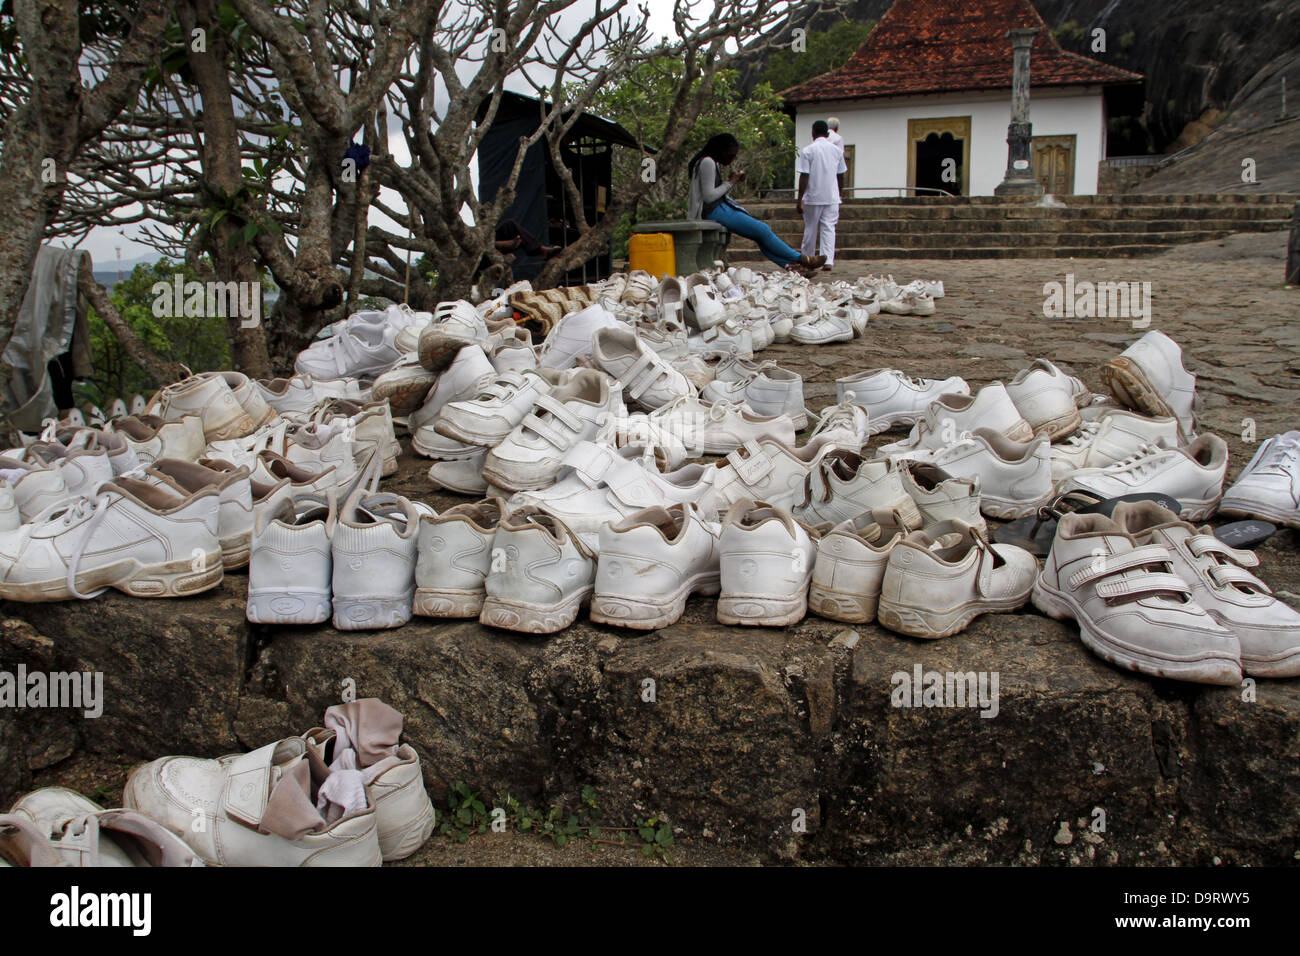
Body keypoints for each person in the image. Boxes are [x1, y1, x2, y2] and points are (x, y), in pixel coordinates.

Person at [688, 133, 824, 273]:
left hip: (717, 208)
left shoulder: (711, 162)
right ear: (720, 151)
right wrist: (731, 182)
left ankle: (792, 266)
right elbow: (709, 196)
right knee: (762, 230)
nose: (731, 159)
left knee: (760, 235)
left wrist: (730, 182)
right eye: (730, 156)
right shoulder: (707, 162)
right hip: (713, 211)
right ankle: (801, 259)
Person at [796, 120, 846, 272]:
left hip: (813, 196)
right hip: (832, 196)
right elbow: (841, 174)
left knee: (810, 229)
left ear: (813, 133)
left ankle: (808, 258)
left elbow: (804, 176)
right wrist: (840, 193)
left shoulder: (808, 151)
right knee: (829, 228)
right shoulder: (837, 151)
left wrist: (799, 199)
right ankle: (828, 260)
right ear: (828, 133)